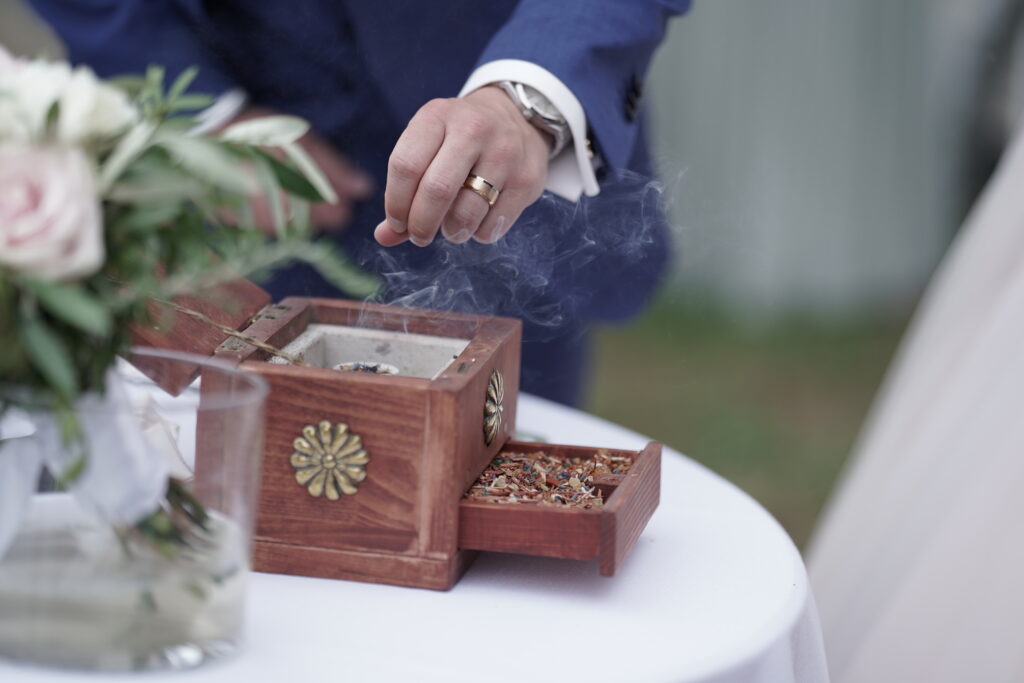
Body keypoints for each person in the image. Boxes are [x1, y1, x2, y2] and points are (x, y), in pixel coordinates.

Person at [28, 0, 691, 406]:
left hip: (503, 137)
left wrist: (527, 96)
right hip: (238, 161)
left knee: (498, 478)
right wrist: (204, 113)